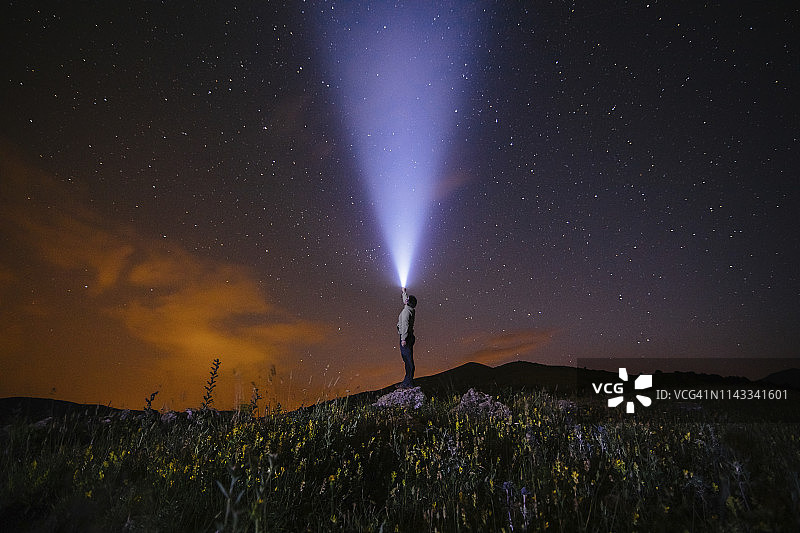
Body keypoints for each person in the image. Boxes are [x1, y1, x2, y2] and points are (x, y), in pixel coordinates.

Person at [396, 287, 417, 389]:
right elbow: (406, 301)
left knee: (408, 361)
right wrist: (404, 292)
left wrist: (403, 339)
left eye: (408, 299)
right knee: (408, 360)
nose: (406, 300)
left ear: (409, 302)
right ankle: (408, 381)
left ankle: (408, 383)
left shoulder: (406, 312)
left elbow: (405, 325)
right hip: (410, 337)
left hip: (406, 338)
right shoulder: (410, 309)